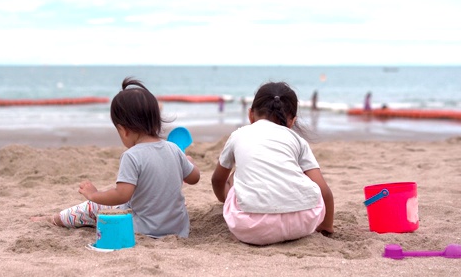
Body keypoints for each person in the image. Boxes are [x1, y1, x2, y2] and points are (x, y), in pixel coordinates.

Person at [32, 77, 201, 238]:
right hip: (178, 230)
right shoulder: (173, 149)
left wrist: (94, 194)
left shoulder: (132, 156)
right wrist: (189, 163)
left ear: (124, 130)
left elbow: (122, 195)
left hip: (142, 230)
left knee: (91, 208)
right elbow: (194, 178)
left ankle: (55, 219)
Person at [211, 81, 334, 246]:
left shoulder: (238, 135)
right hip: (302, 224)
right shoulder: (297, 140)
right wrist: (326, 226)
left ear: (250, 115)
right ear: (292, 121)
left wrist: (224, 201)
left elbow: (217, 180)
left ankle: (241, 212)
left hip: (250, 228)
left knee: (234, 177)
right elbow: (324, 191)